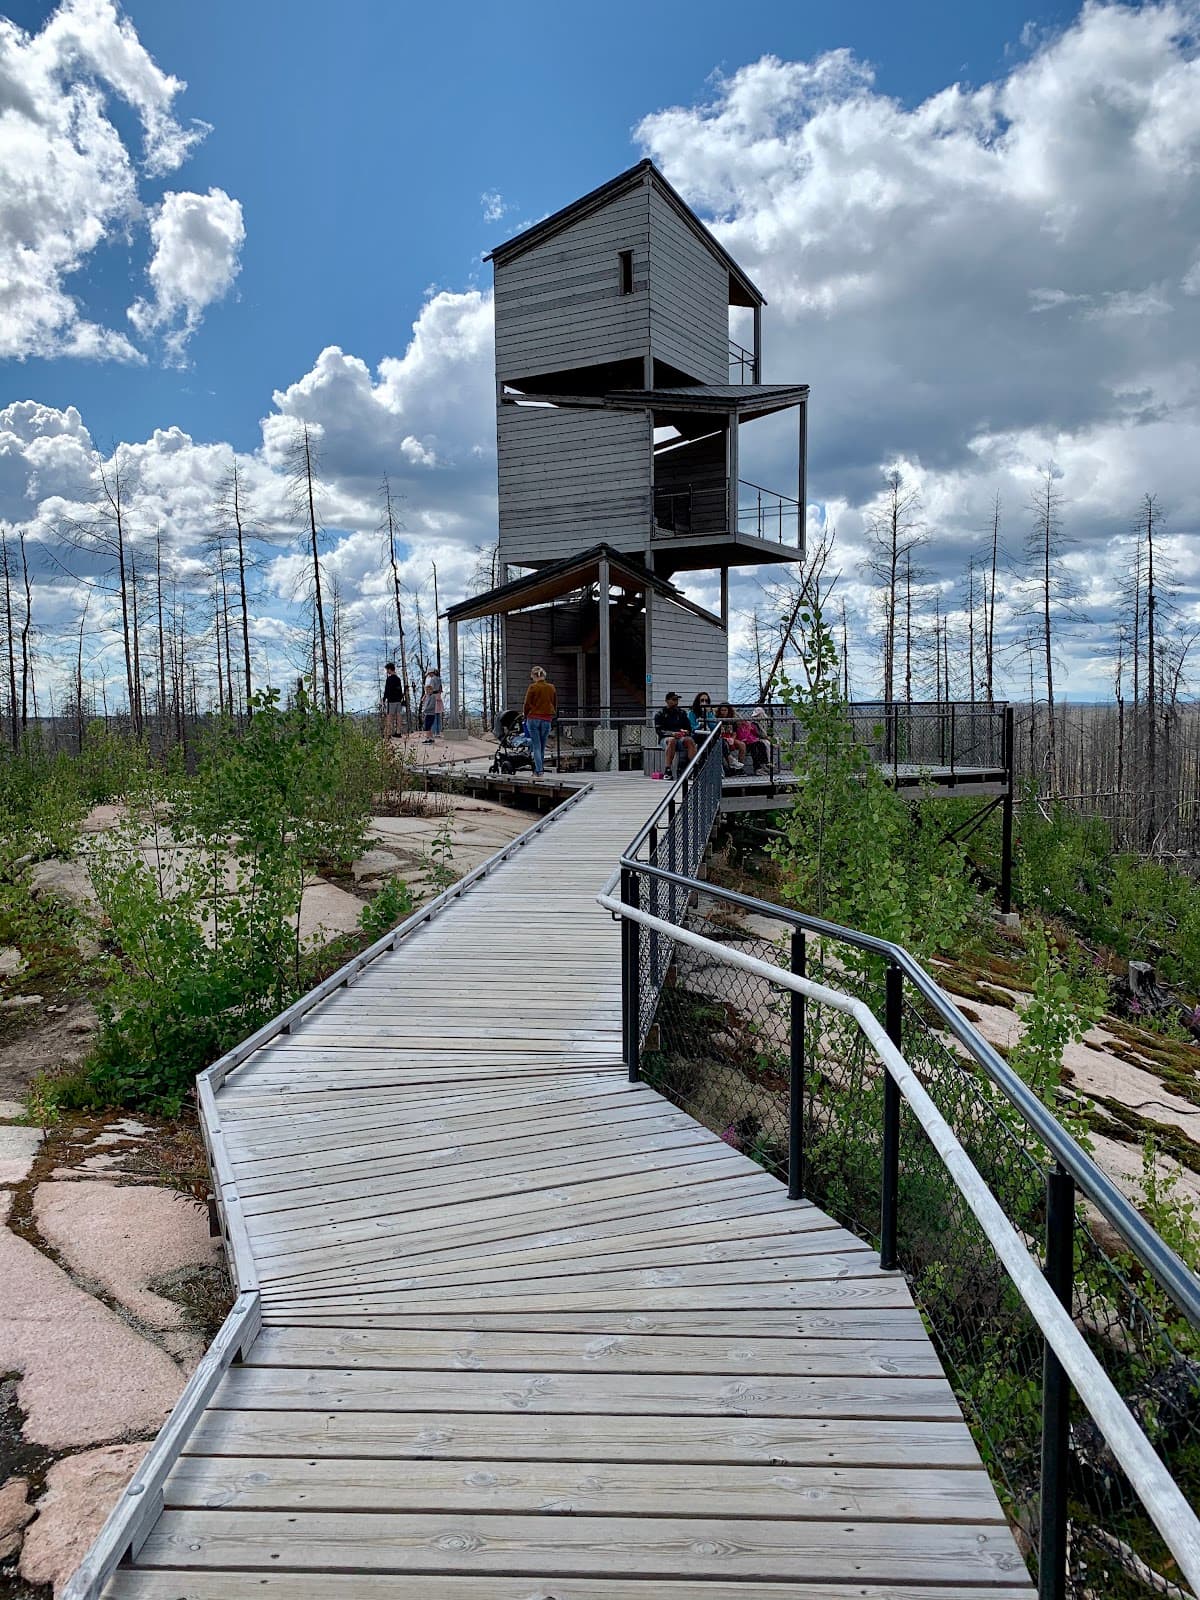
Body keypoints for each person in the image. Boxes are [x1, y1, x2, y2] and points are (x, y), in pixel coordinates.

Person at [522, 665, 557, 776]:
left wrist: (525, 715)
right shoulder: (551, 687)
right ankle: (539, 769)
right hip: (547, 719)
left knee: (536, 746)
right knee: (542, 746)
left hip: (533, 718)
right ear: (543, 675)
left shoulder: (532, 687)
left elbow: (527, 704)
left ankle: (539, 771)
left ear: (534, 676)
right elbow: (554, 703)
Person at [653, 691, 696, 776]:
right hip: (666, 739)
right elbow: (659, 730)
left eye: (677, 700)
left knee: (689, 740)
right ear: (667, 701)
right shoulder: (660, 714)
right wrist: (672, 733)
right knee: (671, 740)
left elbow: (689, 728)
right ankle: (668, 769)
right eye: (673, 700)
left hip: (680, 738)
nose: (676, 702)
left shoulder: (682, 713)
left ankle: (694, 767)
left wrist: (685, 731)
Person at [736, 706, 773, 776]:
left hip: (752, 740)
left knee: (760, 745)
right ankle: (758, 768)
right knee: (757, 746)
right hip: (746, 741)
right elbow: (760, 734)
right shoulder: (753, 724)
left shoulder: (762, 723)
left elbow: (763, 734)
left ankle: (764, 764)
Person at [715, 702, 747, 772]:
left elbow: (734, 732)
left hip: (730, 738)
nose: (723, 712)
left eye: (725, 710)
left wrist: (732, 739)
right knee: (725, 744)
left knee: (742, 745)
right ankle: (730, 767)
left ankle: (740, 767)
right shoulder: (716, 719)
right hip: (721, 739)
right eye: (722, 710)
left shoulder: (732, 720)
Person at [381, 661, 406, 737]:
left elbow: (387, 690)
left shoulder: (389, 679)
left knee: (389, 717)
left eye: (387, 670)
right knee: (398, 716)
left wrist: (384, 699)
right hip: (398, 700)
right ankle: (398, 732)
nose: (387, 671)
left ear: (389, 669)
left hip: (391, 701)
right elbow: (400, 690)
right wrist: (401, 698)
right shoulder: (398, 679)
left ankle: (388, 733)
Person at [421, 666, 444, 744]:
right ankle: (437, 732)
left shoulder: (433, 680)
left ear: (431, 673)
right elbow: (441, 689)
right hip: (438, 696)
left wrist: (426, 695)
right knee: (437, 716)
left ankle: (430, 736)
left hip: (433, 697)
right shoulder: (439, 679)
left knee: (429, 721)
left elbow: (431, 688)